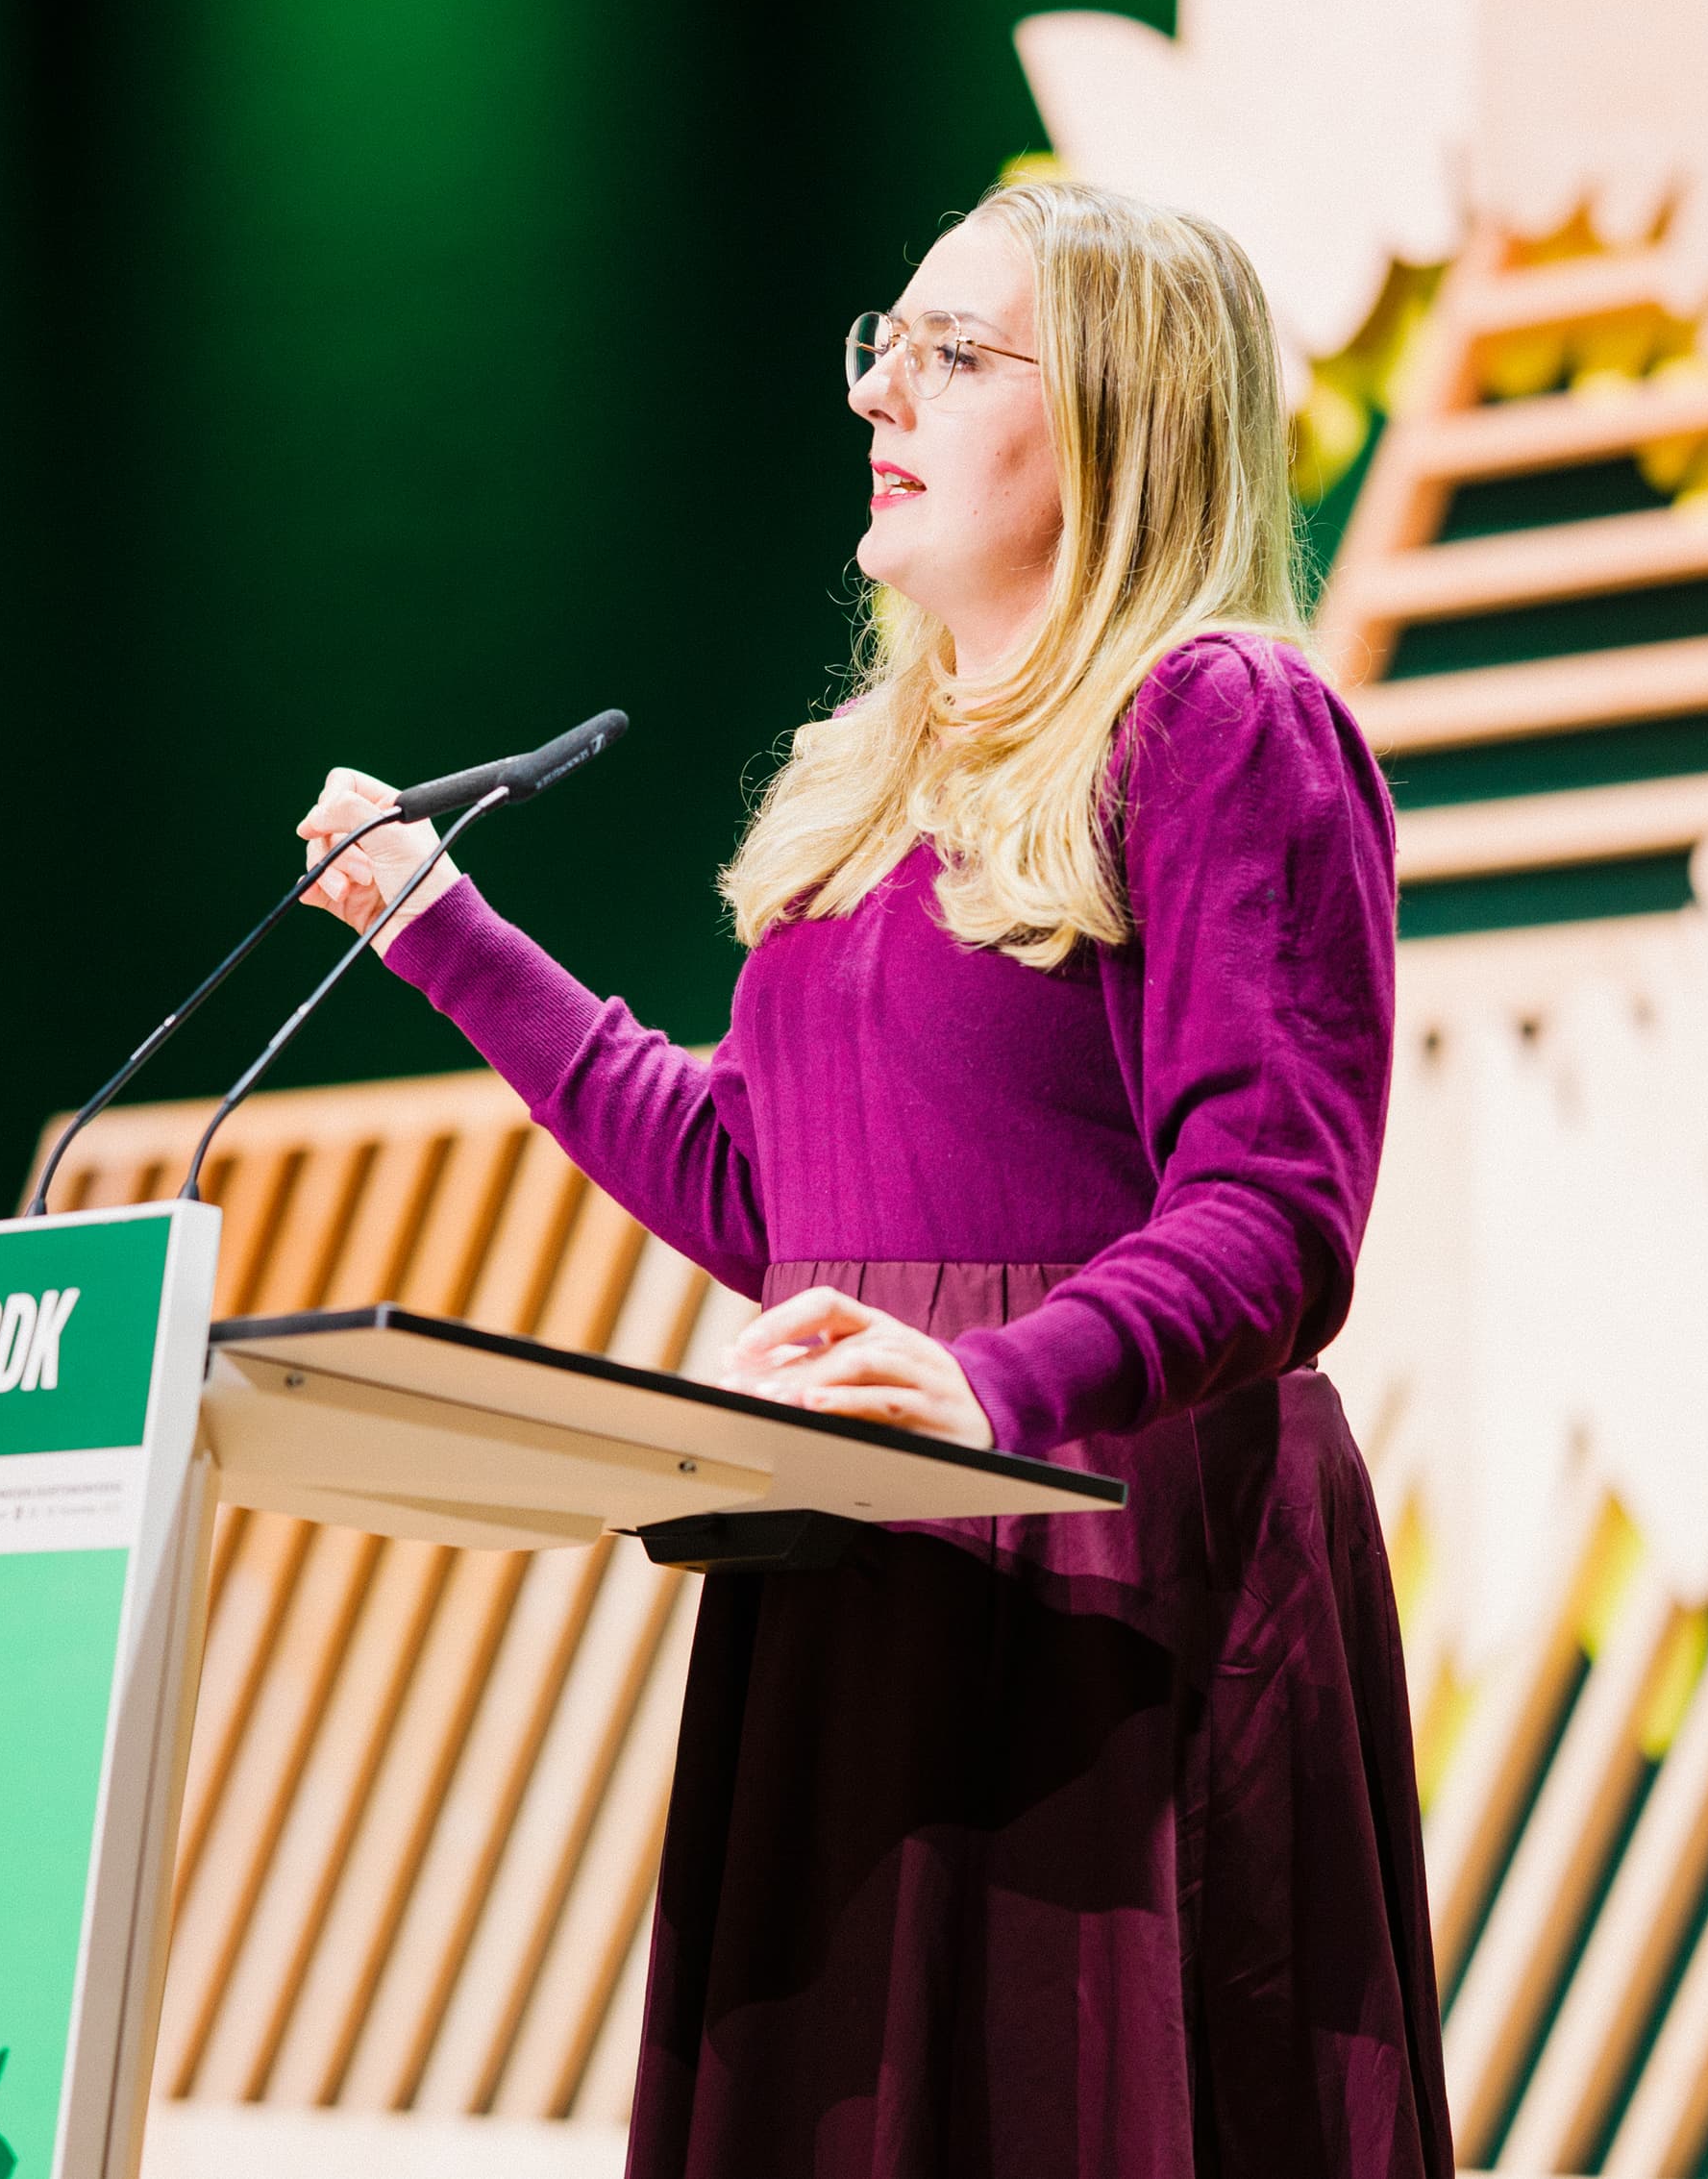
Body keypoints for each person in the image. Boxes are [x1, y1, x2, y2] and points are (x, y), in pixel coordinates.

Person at [297, 177, 1441, 2179]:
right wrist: (435, 928)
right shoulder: (872, 776)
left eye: (955, 354)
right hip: (860, 1554)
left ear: (1120, 417)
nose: (878, 393)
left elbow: (1278, 1213)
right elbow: (763, 1193)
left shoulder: (1221, 721)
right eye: (883, 344)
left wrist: (993, 1389)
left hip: (1105, 1564)